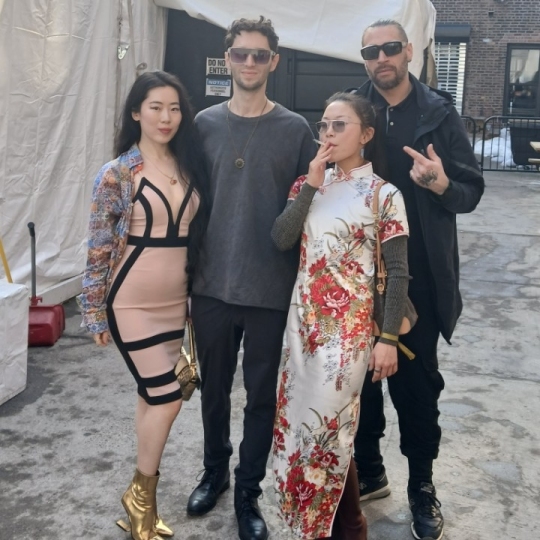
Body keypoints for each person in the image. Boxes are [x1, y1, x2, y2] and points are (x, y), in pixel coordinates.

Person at [350, 19, 485, 540]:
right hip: (360, 274)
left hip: (420, 274)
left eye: (390, 48)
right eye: (371, 51)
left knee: (416, 388)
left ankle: (421, 486)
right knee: (361, 383)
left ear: (409, 51)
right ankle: (370, 471)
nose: (381, 58)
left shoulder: (438, 113)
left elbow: (470, 192)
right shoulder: (353, 109)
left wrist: (442, 183)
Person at [185, 16, 316, 540]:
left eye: (260, 55)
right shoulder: (202, 124)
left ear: (274, 62)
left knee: (262, 398)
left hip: (269, 289)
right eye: (240, 53)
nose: (249, 62)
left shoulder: (296, 129)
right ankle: (214, 471)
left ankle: (247, 491)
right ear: (228, 58)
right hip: (211, 285)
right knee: (213, 391)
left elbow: (312, 203)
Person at [271, 92, 411, 540]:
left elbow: (399, 272)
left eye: (340, 125)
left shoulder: (384, 194)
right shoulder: (307, 183)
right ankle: (345, 525)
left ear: (365, 135)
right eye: (324, 125)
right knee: (303, 428)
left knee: (328, 429)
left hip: (348, 333)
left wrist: (387, 340)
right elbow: (281, 238)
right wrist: (312, 185)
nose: (328, 134)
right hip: (302, 327)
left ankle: (335, 527)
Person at [78, 70, 207, 540]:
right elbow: (97, 248)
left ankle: (141, 502)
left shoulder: (189, 163)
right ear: (136, 112)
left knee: (150, 396)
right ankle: (140, 496)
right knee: (168, 397)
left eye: (174, 108)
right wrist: (93, 309)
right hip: (130, 302)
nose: (166, 117)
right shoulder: (116, 173)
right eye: (155, 107)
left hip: (176, 303)